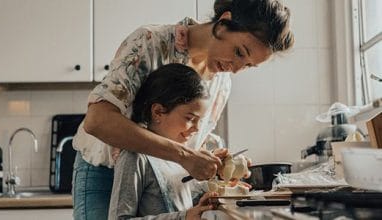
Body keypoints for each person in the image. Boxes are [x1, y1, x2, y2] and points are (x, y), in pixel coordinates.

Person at [72, 0, 294, 219]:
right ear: (224, 22)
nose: (235, 69)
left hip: (161, 182)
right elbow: (98, 121)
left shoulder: (221, 84)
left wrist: (211, 162)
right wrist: (186, 156)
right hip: (104, 172)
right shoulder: (150, 42)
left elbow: (184, 144)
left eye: (247, 65)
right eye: (239, 52)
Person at [109, 63, 219, 220]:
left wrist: (202, 202)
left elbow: (180, 205)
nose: (196, 128)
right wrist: (184, 217)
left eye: (200, 121)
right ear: (158, 112)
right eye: (190, 119)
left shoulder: (180, 158)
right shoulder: (135, 158)